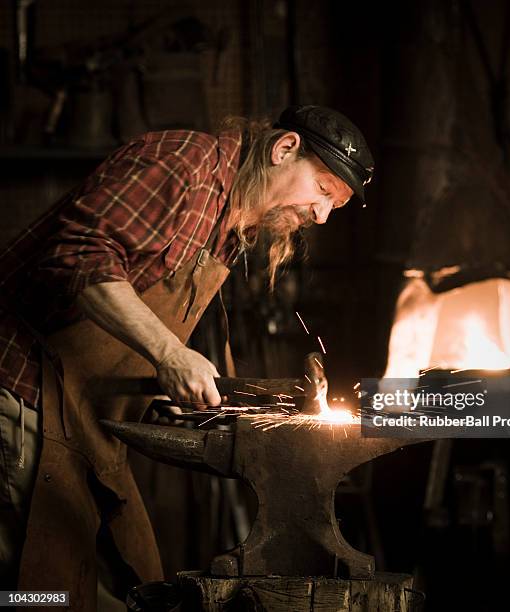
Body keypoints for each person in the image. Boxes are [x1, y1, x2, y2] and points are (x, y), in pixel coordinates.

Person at [0, 105, 374, 609]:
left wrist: (162, 388)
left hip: (78, 422)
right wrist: (168, 353)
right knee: (35, 596)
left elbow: (133, 319)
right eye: (324, 190)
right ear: (284, 149)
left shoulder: (229, 224)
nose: (321, 214)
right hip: (19, 399)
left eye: (336, 207)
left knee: (102, 588)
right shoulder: (185, 163)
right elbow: (80, 255)